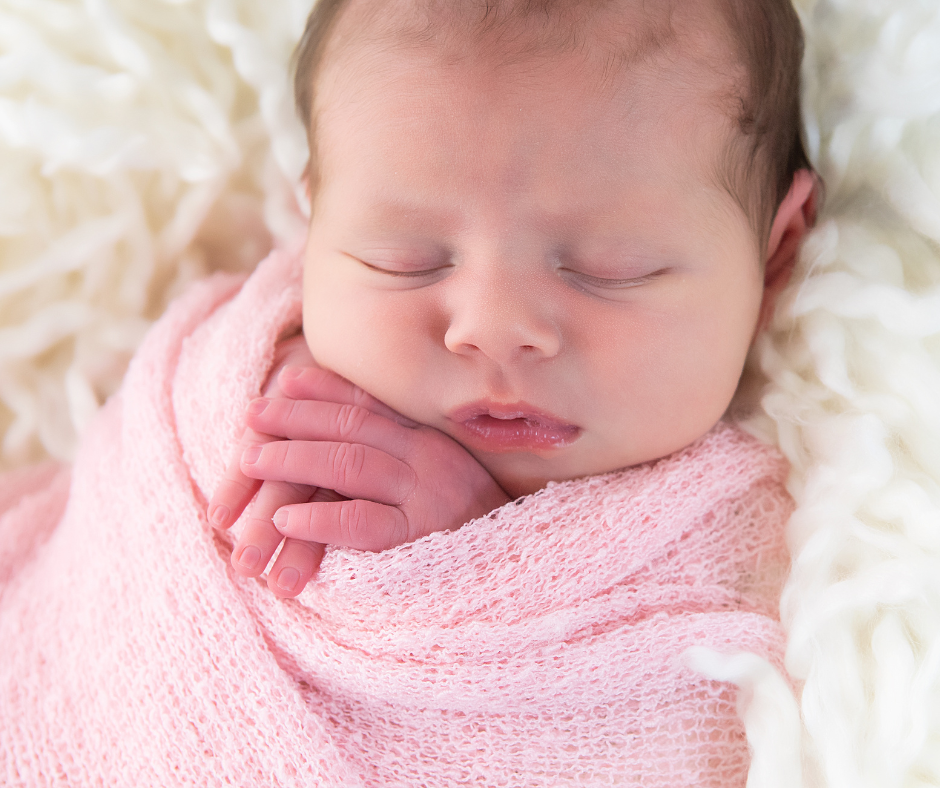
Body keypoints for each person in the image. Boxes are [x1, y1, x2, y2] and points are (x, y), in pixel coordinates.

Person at [207, 0, 818, 597]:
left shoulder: (788, 534)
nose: (492, 329)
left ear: (775, 256)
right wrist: (255, 399)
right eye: (402, 259)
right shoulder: (244, 373)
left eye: (611, 269)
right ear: (312, 226)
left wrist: (479, 556)